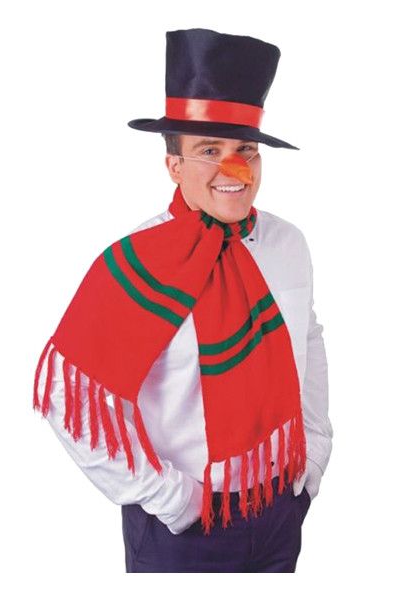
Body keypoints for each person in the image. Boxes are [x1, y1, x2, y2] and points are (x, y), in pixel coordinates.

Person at [32, 28, 333, 573]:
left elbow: (307, 342)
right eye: (209, 151)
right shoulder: (137, 263)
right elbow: (66, 396)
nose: (235, 169)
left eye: (246, 151)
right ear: (174, 166)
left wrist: (313, 453)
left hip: (279, 512)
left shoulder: (288, 245)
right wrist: (169, 498)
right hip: (182, 531)